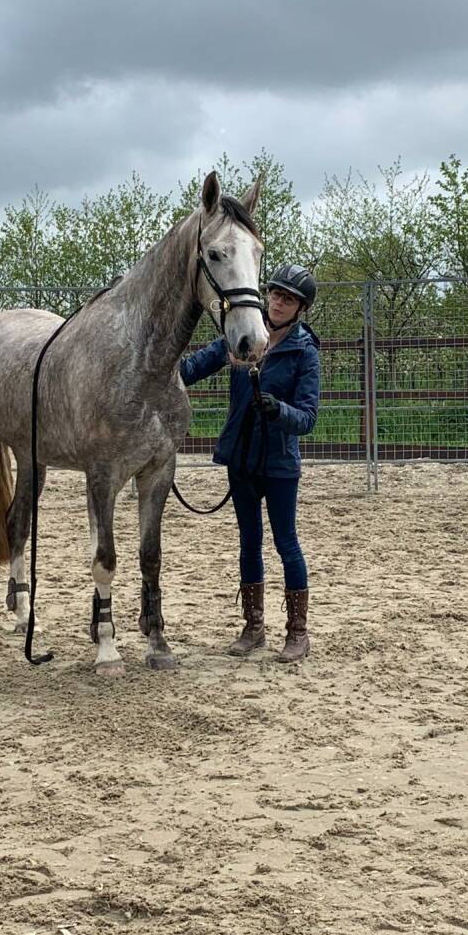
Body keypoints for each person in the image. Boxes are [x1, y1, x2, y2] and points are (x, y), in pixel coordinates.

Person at [180, 264, 320, 663]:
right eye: (275, 294)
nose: (278, 302)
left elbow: (308, 418)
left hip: (279, 463)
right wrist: (159, 372)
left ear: (300, 308)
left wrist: (278, 410)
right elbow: (194, 367)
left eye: (288, 299)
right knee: (249, 542)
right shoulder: (243, 333)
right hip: (241, 459)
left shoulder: (304, 353)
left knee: (286, 543)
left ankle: (297, 632)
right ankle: (253, 627)